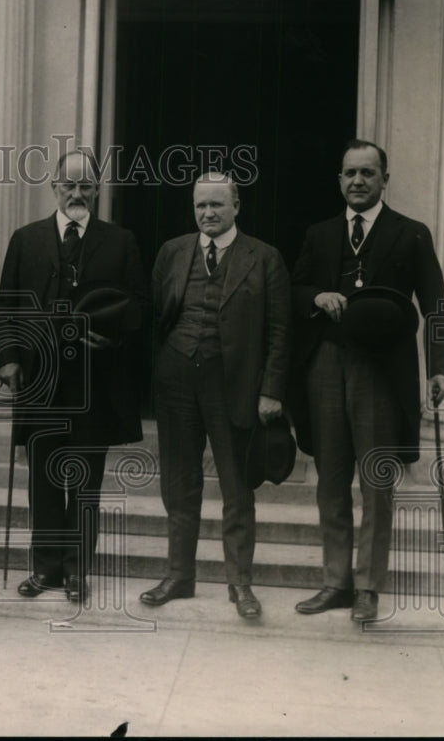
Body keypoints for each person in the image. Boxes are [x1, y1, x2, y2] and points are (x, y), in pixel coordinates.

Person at [290, 139, 444, 622]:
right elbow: (295, 287)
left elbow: (435, 305)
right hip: (325, 364)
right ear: (339, 180)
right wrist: (317, 296)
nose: (357, 182)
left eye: (367, 173)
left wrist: (440, 367)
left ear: (385, 178)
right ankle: (336, 581)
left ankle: (368, 587)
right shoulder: (318, 234)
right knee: (331, 478)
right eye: (349, 174)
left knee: (377, 481)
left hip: (383, 370)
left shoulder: (411, 233)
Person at [0, 149, 147, 603]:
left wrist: (114, 341)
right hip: (40, 382)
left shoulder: (120, 242)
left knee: (84, 481)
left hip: (92, 384)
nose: (77, 193)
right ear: (55, 187)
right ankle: (45, 570)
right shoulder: (26, 239)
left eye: (86, 185)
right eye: (69, 185)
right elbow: (6, 307)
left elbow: (138, 306)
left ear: (98, 190)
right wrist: (7, 359)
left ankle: (77, 569)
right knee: (42, 477)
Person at [139, 173, 291, 618]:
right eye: (201, 205)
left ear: (236, 206)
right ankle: (178, 575)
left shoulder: (264, 258)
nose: (208, 213)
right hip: (177, 383)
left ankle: (240, 583)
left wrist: (270, 391)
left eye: (217, 205)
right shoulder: (173, 251)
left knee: (237, 487)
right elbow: (155, 317)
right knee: (178, 483)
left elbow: (280, 332)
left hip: (235, 385)